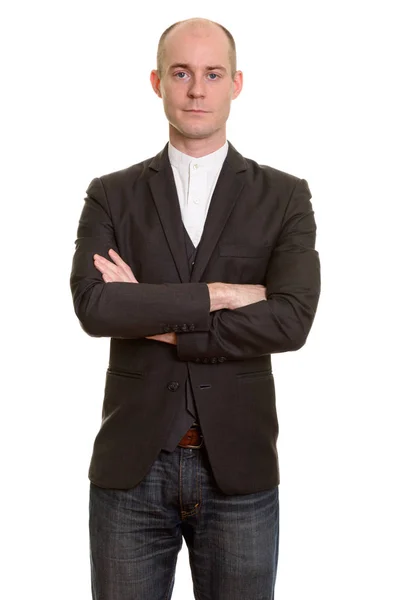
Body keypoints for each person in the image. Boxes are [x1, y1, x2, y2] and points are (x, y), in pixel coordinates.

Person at [70, 16, 320, 600]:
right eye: (182, 73)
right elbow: (95, 307)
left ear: (237, 83)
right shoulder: (111, 193)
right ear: (157, 82)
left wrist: (156, 316)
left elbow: (291, 318)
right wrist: (220, 295)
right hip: (130, 469)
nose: (197, 90)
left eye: (213, 74)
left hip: (240, 468)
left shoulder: (284, 196)